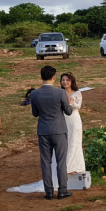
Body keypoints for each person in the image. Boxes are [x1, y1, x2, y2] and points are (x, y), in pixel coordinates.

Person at [30, 66, 73, 200]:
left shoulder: (34, 94)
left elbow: (35, 113)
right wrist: (70, 103)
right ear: (54, 77)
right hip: (59, 130)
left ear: (41, 77)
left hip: (43, 130)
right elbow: (68, 111)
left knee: (45, 161)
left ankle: (48, 191)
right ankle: (62, 190)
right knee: (61, 161)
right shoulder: (60, 93)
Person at [60, 72, 85, 174]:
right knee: (64, 143)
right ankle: (64, 166)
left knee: (74, 142)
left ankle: (72, 167)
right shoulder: (60, 93)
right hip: (63, 119)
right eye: (63, 80)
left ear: (71, 81)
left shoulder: (77, 93)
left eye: (67, 80)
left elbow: (78, 106)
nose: (65, 82)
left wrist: (71, 103)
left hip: (74, 119)